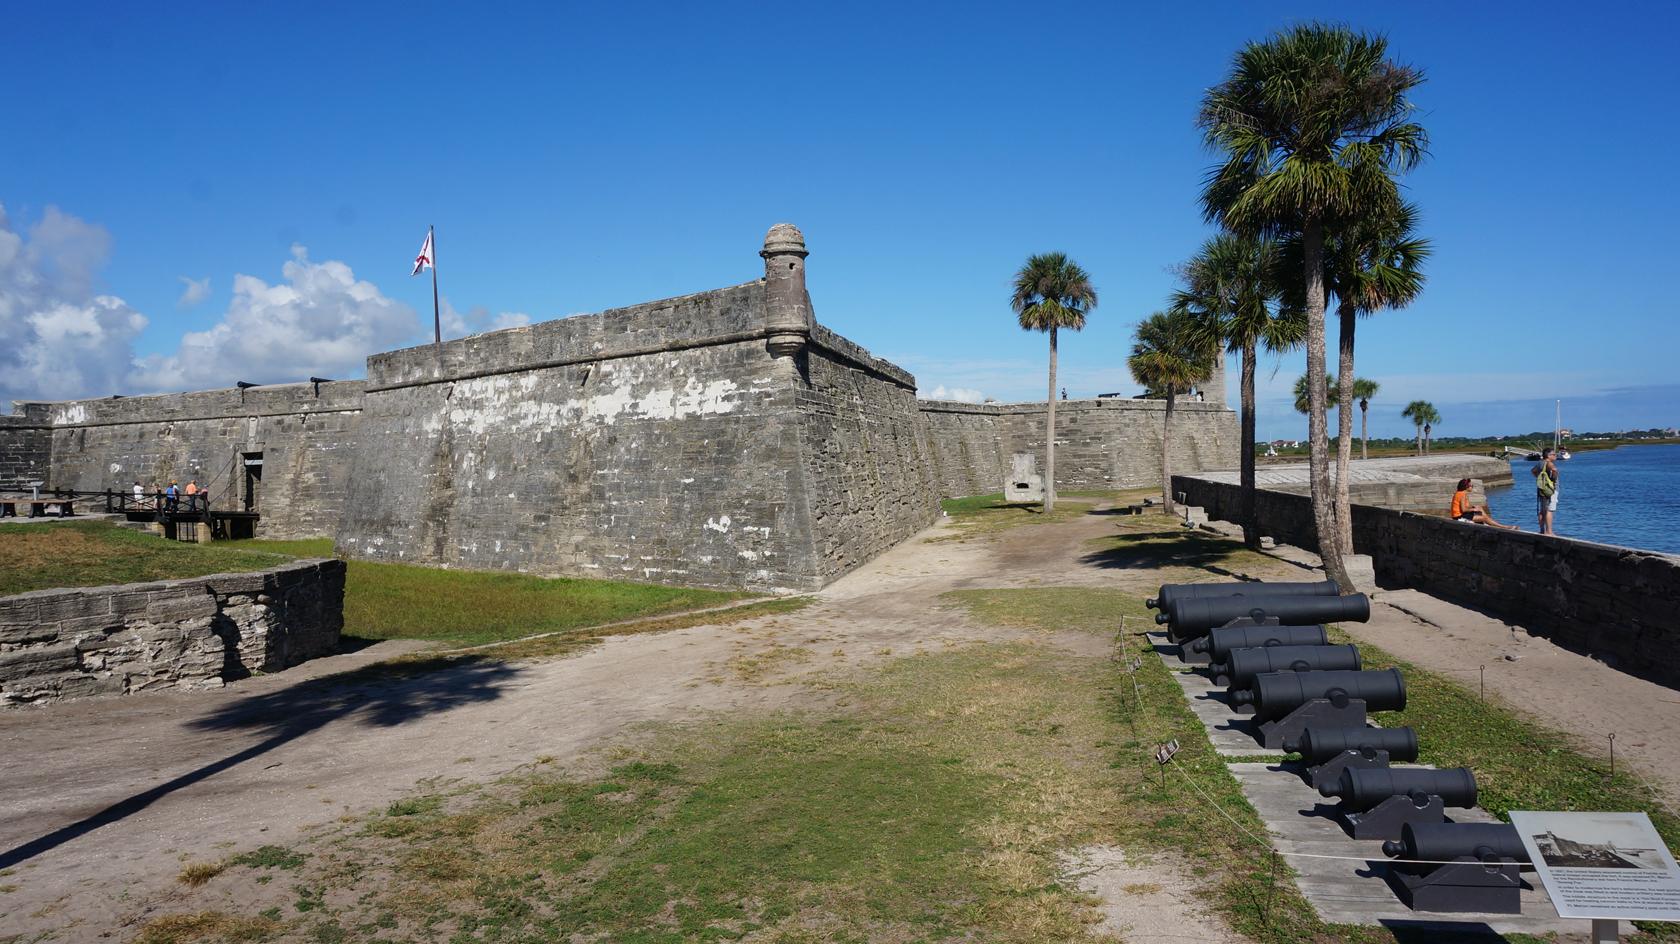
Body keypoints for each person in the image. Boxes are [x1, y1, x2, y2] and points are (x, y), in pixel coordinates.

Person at [1449, 478, 1517, 530]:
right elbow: (1464, 509)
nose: (1472, 487)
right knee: (1484, 518)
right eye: (1471, 485)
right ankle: (1504, 527)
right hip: (1459, 517)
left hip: (1461, 515)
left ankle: (1490, 522)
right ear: (1466, 487)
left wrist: (1474, 507)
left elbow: (1466, 506)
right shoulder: (1462, 495)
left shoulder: (1460, 493)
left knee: (1480, 508)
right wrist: (1474, 509)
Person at [1532, 447, 1559, 535]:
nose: (1555, 456)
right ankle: (1549, 531)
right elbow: (1554, 470)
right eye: (1554, 454)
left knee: (1542, 510)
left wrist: (1540, 479)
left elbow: (1533, 471)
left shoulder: (1540, 463)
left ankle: (1542, 530)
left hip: (1542, 488)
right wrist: (1553, 480)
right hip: (1550, 489)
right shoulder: (1549, 463)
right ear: (1548, 455)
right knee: (1549, 510)